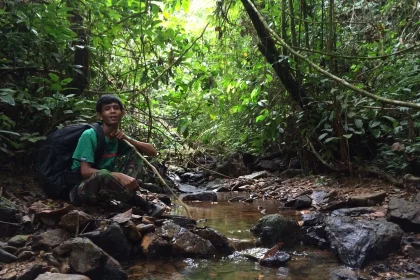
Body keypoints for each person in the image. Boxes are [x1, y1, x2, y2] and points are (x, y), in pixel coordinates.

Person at [68, 94, 166, 217]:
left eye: (116, 108)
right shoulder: (89, 135)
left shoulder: (118, 137)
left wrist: (128, 139)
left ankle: (124, 193)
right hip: (81, 190)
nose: (112, 111)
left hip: (105, 188)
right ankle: (144, 205)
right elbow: (85, 171)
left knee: (135, 151)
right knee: (103, 174)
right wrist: (118, 175)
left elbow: (152, 152)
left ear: (122, 113)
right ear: (100, 115)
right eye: (107, 108)